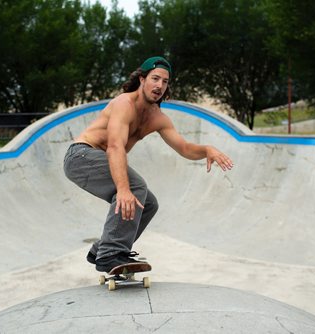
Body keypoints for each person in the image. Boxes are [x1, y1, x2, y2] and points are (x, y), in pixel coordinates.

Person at [64, 56, 233, 272]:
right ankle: (110, 255)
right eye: (155, 79)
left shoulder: (157, 118)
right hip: (81, 156)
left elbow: (184, 148)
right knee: (135, 188)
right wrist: (123, 189)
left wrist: (206, 150)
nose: (160, 86)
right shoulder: (124, 103)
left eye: (165, 81)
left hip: (100, 159)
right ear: (142, 79)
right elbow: (115, 146)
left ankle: (101, 249)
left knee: (148, 204)